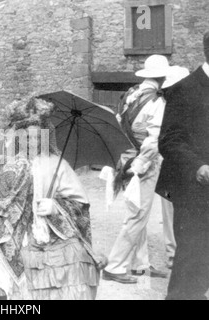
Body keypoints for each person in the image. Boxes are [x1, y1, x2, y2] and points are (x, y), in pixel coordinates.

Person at [0, 97, 105, 300]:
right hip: (21, 236)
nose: (33, 142)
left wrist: (56, 206)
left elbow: (80, 205)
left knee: (76, 257)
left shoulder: (57, 164)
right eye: (28, 138)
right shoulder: (12, 166)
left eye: (38, 137)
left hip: (54, 233)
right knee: (9, 265)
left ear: (46, 137)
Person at [103, 55, 170, 284]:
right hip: (144, 163)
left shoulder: (130, 94)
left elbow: (119, 124)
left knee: (135, 212)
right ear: (162, 77)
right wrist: (140, 166)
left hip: (127, 158)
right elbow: (153, 141)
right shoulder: (157, 101)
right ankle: (115, 265)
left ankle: (140, 265)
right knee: (138, 216)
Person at [158, 32, 209, 300]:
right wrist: (199, 166)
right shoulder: (184, 89)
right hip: (192, 190)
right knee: (192, 255)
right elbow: (168, 141)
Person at [155, 66, 190, 269]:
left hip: (189, 168)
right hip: (170, 167)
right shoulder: (163, 106)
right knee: (170, 211)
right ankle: (173, 253)